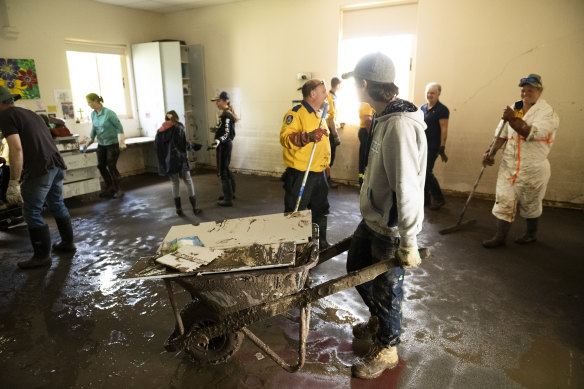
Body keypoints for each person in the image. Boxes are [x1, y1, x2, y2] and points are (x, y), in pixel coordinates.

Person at [341, 53, 427, 379]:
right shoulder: (383, 116)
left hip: (390, 227)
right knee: (355, 268)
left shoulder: (400, 126)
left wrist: (409, 239)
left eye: (354, 82)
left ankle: (388, 348)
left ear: (364, 84)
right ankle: (378, 319)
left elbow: (406, 186)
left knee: (388, 289)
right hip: (375, 217)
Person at [0, 86, 76, 269]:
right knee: (56, 203)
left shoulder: (6, 117)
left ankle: (41, 256)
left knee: (31, 211)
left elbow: (16, 149)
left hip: (39, 169)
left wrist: (13, 181)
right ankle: (67, 243)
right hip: (56, 165)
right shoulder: (29, 113)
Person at [482, 74, 559, 248]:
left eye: (530, 90)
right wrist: (491, 152)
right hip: (509, 165)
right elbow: (502, 133)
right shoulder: (515, 107)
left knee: (530, 202)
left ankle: (530, 234)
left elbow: (529, 133)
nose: (525, 94)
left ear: (540, 91)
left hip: (533, 168)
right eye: (523, 90)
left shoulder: (547, 113)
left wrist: (511, 119)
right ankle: (500, 237)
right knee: (504, 199)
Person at [280, 79, 331, 250]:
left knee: (321, 208)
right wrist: (308, 136)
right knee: (296, 210)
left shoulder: (320, 115)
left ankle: (320, 243)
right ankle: (296, 246)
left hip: (319, 172)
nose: (326, 94)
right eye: (323, 91)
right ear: (312, 93)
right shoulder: (295, 114)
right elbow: (285, 138)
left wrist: (326, 165)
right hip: (301, 172)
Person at [154, 110, 202, 216]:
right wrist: (193, 146)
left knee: (175, 183)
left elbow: (158, 148)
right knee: (188, 181)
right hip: (180, 160)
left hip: (169, 162)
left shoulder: (160, 131)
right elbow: (183, 145)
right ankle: (195, 208)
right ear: (176, 118)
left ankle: (179, 209)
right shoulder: (178, 128)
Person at [83, 93, 126, 198]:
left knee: (111, 166)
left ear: (95, 101)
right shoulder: (93, 114)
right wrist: (89, 141)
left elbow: (119, 128)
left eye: (89, 102)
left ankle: (118, 189)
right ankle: (110, 188)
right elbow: (94, 128)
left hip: (112, 144)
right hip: (102, 144)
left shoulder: (109, 113)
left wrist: (122, 142)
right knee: (101, 165)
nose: (88, 105)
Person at [420, 82, 449, 210]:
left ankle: (439, 199)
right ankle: (424, 199)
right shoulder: (421, 108)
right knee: (422, 172)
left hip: (433, 146)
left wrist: (442, 146)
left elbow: (444, 128)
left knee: (426, 172)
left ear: (438, 94)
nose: (429, 95)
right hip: (421, 145)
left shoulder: (442, 109)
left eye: (432, 93)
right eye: (428, 92)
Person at [210, 91, 237, 206]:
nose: (217, 103)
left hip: (224, 146)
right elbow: (224, 130)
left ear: (225, 101)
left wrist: (218, 141)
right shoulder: (226, 114)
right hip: (225, 145)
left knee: (222, 171)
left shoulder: (226, 115)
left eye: (219, 101)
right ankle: (230, 194)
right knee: (225, 168)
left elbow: (226, 133)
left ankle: (228, 199)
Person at [326, 77, 343, 188]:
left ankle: (327, 180)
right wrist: (335, 135)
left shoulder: (334, 97)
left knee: (331, 157)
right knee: (328, 157)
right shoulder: (330, 98)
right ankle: (326, 181)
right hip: (329, 132)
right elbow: (331, 118)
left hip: (332, 129)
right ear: (337, 85)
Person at [357, 102, 374, 186]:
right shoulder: (367, 103)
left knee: (364, 157)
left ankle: (362, 181)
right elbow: (368, 121)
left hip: (364, 131)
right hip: (366, 132)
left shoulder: (366, 102)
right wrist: (372, 135)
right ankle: (363, 182)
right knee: (365, 158)